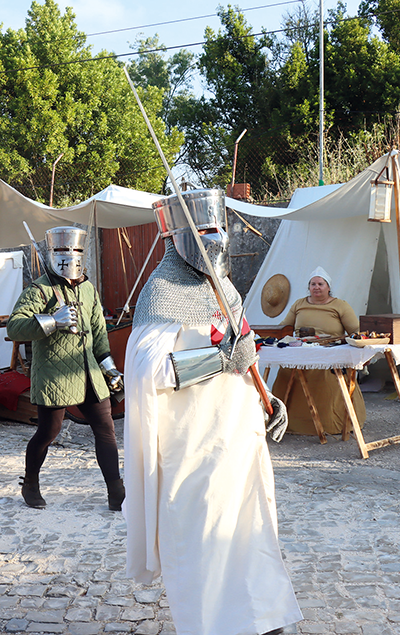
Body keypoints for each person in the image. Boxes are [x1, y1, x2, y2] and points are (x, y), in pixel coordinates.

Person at [123, 188, 302, 635]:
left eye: (219, 226)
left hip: (237, 439)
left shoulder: (224, 288)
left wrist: (267, 399)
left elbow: (244, 353)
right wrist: (221, 360)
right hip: (192, 448)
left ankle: (262, 617)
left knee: (251, 531)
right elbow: (149, 374)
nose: (216, 237)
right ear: (179, 235)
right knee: (202, 542)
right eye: (204, 230)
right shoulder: (161, 293)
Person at [7, 226, 125, 511]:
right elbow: (14, 327)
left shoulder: (88, 289)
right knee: (49, 432)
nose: (68, 256)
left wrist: (110, 370)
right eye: (61, 251)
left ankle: (116, 492)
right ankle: (31, 482)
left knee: (105, 428)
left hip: (89, 374)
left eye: (73, 251)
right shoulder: (39, 289)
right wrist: (51, 320)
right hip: (55, 374)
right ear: (52, 253)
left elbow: (98, 334)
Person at [272, 267, 365, 435]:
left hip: (328, 353)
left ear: (328, 287)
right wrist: (272, 335)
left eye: (321, 284)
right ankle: (286, 422)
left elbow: (355, 330)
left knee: (327, 379)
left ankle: (329, 425)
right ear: (309, 287)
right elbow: (285, 326)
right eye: (313, 284)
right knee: (287, 373)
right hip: (301, 350)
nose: (317, 287)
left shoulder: (339, 306)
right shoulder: (299, 304)